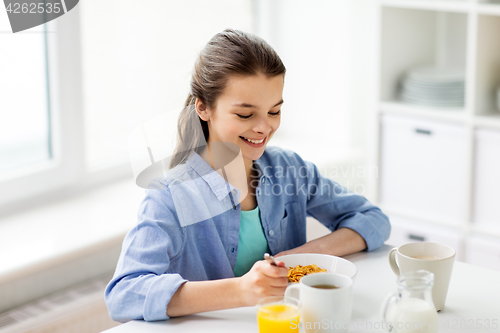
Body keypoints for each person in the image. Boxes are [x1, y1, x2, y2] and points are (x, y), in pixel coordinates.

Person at [104, 29, 390, 322]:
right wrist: (242, 290)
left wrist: (300, 257)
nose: (264, 128)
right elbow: (124, 294)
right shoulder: (170, 194)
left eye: (274, 111)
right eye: (245, 115)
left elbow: (373, 219)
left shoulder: (289, 170)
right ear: (203, 107)